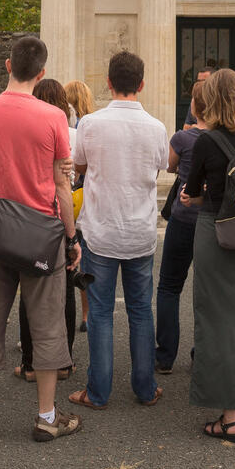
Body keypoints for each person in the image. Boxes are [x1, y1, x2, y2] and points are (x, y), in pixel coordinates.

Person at [0, 36, 82, 443]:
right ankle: (47, 416)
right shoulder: (53, 118)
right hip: (42, 235)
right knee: (47, 326)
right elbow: (62, 185)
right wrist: (71, 237)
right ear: (43, 73)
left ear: (7, 64)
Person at [68, 52, 168, 411]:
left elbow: (79, 166)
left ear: (108, 82)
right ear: (141, 84)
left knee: (100, 311)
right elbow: (158, 169)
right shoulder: (157, 128)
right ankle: (145, 387)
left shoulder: (91, 124)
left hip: (100, 231)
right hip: (139, 230)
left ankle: (98, 390)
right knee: (141, 310)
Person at [181, 69, 235, 442]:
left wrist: (196, 196)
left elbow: (193, 189)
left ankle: (228, 417)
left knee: (219, 323)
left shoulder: (207, 141)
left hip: (216, 232)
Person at [17, 78, 80, 381]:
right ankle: (64, 361)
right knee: (64, 291)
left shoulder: (25, 128)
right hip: (58, 214)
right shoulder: (70, 133)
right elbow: (68, 180)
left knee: (28, 291)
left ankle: (30, 362)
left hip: (28, 217)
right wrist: (72, 235)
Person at [155, 79, 207, 374]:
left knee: (169, 287)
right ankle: (201, 352)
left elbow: (170, 166)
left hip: (183, 219)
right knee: (206, 289)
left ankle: (164, 356)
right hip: (208, 220)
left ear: (193, 106)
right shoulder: (221, 138)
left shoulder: (183, 138)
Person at [63, 78, 96, 332]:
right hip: (85, 198)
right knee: (84, 260)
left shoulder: (66, 125)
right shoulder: (93, 125)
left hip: (67, 198)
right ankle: (86, 315)